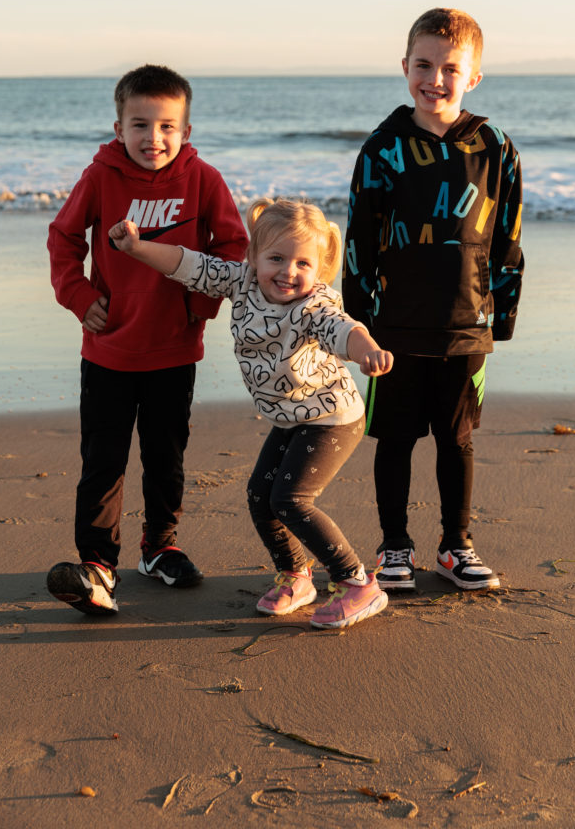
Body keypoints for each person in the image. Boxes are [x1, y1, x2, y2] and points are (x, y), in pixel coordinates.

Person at [108, 197, 393, 630]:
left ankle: (356, 583)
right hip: (291, 417)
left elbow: (343, 329)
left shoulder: (314, 304)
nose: (288, 272)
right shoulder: (240, 281)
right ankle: (297, 576)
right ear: (253, 257)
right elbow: (188, 264)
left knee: (291, 499)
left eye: (303, 263)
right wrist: (137, 247)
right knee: (261, 497)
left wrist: (367, 348)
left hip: (333, 416)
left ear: (318, 270)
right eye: (276, 258)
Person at [46, 64, 248, 616]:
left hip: (173, 350)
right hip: (109, 350)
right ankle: (97, 565)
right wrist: (81, 298)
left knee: (166, 456)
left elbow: (234, 247)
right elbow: (63, 237)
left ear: (185, 131)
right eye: (140, 125)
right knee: (103, 461)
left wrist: (198, 303)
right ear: (118, 128)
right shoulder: (101, 177)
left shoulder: (203, 179)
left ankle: (159, 548)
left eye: (166, 127)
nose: (152, 138)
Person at [343, 8, 524, 592]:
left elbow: (508, 238)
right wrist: (354, 322)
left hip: (466, 323)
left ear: (473, 76)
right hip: (394, 325)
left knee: (457, 439)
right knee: (394, 439)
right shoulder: (382, 149)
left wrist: (504, 315)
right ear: (405, 67)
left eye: (451, 68)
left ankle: (456, 545)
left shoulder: (495, 146)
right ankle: (394, 546)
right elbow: (359, 240)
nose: (435, 79)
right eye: (424, 64)